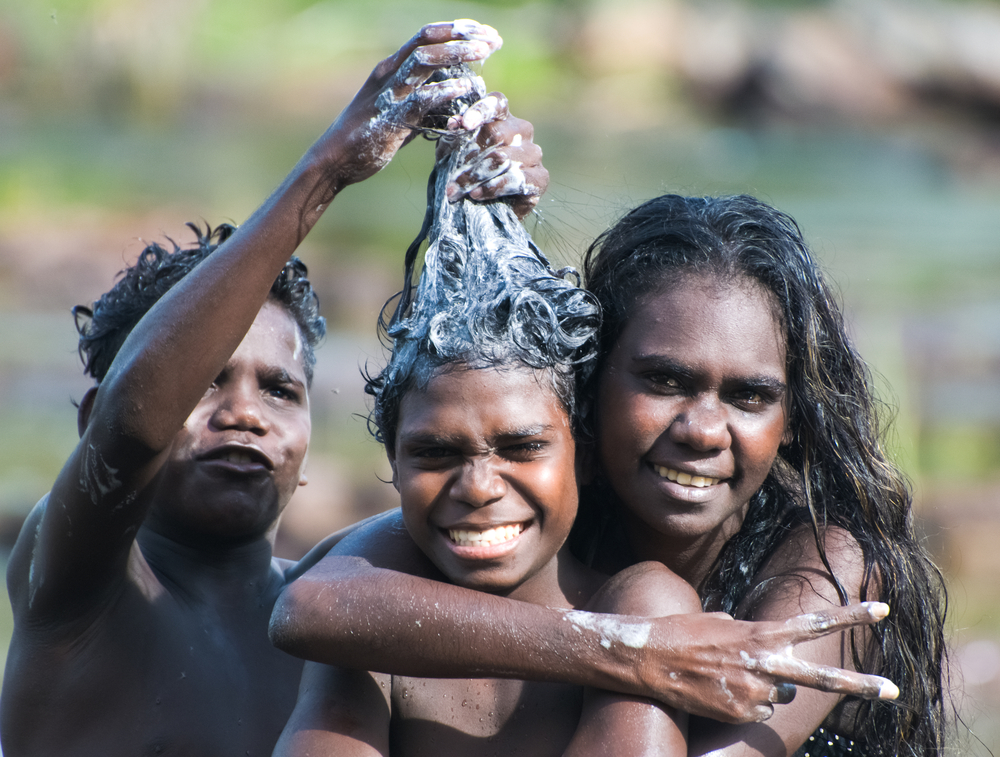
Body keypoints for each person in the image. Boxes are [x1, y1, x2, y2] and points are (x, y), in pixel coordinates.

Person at [0, 21, 548, 757]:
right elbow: (134, 429)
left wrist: (491, 220)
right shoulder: (78, 582)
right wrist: (328, 170)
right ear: (97, 415)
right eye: (207, 382)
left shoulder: (338, 605)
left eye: (280, 390)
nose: (244, 415)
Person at [270, 194, 948, 755]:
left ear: (791, 417)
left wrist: (638, 636)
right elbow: (314, 605)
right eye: (663, 380)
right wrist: (630, 649)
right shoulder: (517, 512)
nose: (703, 430)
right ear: (590, 393)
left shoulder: (822, 568)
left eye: (749, 396)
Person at [272, 93, 701, 755]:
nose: (477, 486)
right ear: (392, 456)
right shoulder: (370, 624)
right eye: (436, 452)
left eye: (523, 445)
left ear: (583, 448)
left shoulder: (640, 607)